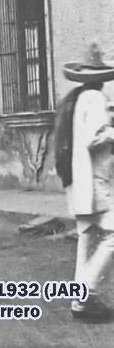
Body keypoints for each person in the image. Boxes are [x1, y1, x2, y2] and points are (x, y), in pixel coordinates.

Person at [54, 43, 114, 322]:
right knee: (112, 236)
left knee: (88, 236)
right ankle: (86, 292)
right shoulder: (94, 99)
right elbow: (95, 138)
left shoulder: (77, 98)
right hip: (96, 179)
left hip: (80, 179)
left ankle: (80, 301)